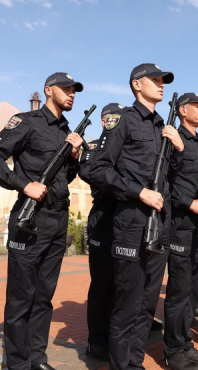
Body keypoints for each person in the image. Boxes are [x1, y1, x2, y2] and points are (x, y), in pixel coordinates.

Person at [0, 72, 85, 370]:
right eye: (66, 88)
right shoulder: (25, 121)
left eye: (74, 89)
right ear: (48, 90)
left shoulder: (67, 130)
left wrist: (75, 156)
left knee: (44, 297)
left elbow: (65, 178)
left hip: (58, 219)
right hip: (30, 219)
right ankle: (17, 364)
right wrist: (22, 184)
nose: (72, 93)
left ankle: (37, 359)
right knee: (21, 298)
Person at [89, 64, 183, 369]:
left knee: (146, 303)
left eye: (163, 81)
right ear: (136, 85)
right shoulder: (123, 120)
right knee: (127, 302)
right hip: (131, 220)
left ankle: (133, 363)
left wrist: (179, 149)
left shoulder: (163, 127)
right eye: (155, 80)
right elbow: (97, 169)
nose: (161, 85)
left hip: (161, 223)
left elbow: (173, 178)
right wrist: (137, 191)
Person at [163, 92, 198, 369]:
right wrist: (190, 203)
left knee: (191, 290)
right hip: (180, 225)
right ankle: (173, 351)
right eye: (197, 106)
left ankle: (185, 343)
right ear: (182, 110)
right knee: (179, 290)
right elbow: (165, 183)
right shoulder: (173, 137)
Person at [79, 103, 123, 361]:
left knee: (124, 282)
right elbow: (90, 173)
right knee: (102, 283)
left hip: (127, 220)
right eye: (111, 119)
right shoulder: (95, 148)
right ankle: (97, 341)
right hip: (104, 220)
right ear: (104, 121)